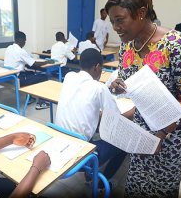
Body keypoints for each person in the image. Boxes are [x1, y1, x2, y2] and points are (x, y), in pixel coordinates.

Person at [105, 0, 181, 197]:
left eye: (120, 20)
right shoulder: (127, 45)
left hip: (173, 134)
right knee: (137, 178)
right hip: (143, 127)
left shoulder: (178, 44)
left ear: (141, 13)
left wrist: (162, 133)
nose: (116, 28)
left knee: (161, 185)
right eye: (112, 22)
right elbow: (129, 79)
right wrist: (118, 85)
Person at [55, 48, 129, 188]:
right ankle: (101, 183)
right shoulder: (99, 88)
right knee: (123, 143)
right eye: (101, 69)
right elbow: (116, 119)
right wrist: (133, 111)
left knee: (95, 126)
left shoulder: (69, 76)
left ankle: (91, 173)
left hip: (59, 142)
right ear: (97, 67)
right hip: (79, 154)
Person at [4, 31, 50, 110]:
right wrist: (46, 62)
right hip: (18, 79)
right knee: (44, 76)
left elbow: (25, 62)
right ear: (21, 40)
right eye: (25, 41)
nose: (25, 43)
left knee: (31, 73)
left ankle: (30, 98)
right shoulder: (20, 51)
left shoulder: (9, 48)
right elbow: (34, 64)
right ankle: (41, 103)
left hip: (9, 77)